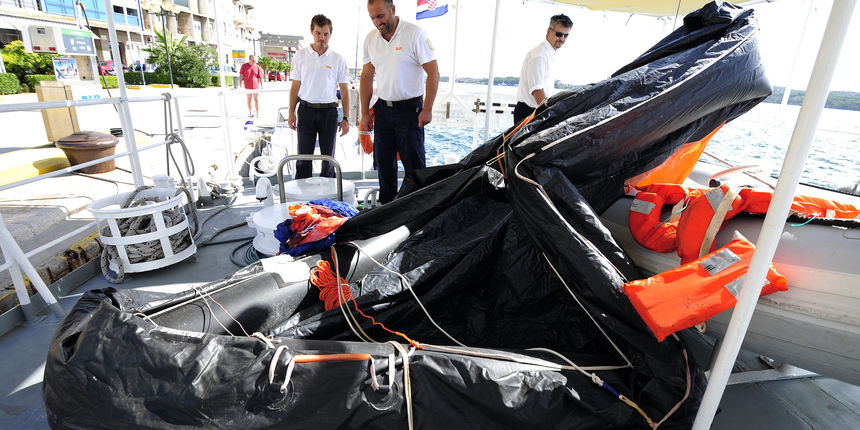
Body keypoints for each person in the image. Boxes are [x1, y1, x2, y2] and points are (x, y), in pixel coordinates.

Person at [360, 0, 439, 204]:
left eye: (380, 16)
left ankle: (418, 213)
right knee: (384, 166)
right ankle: (388, 212)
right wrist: (364, 113)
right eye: (372, 18)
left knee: (414, 167)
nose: (377, 22)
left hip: (410, 111)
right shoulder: (370, 39)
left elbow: (433, 73)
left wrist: (428, 108)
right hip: (383, 110)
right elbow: (367, 77)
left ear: (392, 10)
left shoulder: (415, 34)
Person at [287, 14, 350, 179]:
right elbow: (295, 86)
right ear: (311, 31)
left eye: (326, 34)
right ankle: (301, 201)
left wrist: (346, 118)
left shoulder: (338, 59)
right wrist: (291, 112)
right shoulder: (300, 55)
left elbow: (344, 90)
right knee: (303, 159)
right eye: (318, 33)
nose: (322, 37)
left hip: (329, 113)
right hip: (306, 111)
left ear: (331, 34)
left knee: (328, 160)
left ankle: (326, 200)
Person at [513, 14, 572, 125]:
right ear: (549, 31)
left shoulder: (550, 54)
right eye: (559, 34)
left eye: (566, 35)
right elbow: (537, 90)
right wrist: (550, 116)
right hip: (528, 113)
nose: (562, 39)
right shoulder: (539, 55)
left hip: (537, 111)